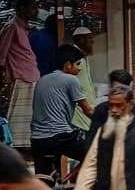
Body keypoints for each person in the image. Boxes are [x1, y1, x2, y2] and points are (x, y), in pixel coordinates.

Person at [30, 44, 93, 176]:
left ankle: (61, 183)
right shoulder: (71, 80)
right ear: (67, 65)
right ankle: (73, 182)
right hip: (60, 137)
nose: (80, 68)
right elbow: (88, 110)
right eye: (77, 64)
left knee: (45, 180)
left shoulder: (42, 80)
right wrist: (107, 120)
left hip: (38, 140)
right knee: (97, 153)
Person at [0, 0, 42, 150]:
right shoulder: (12, 26)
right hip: (20, 76)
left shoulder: (23, 27)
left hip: (29, 75)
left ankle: (24, 145)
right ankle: (14, 145)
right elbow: (2, 52)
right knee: (17, 114)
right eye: (33, 7)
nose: (37, 11)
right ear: (22, 8)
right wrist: (1, 74)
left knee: (28, 114)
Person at [87, 69, 135, 140]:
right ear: (110, 88)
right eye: (115, 89)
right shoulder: (101, 110)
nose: (118, 92)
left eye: (122, 89)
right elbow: (92, 138)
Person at [69, 27, 97, 131]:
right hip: (79, 106)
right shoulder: (73, 57)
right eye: (90, 39)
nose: (92, 42)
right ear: (81, 40)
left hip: (87, 105)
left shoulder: (82, 56)